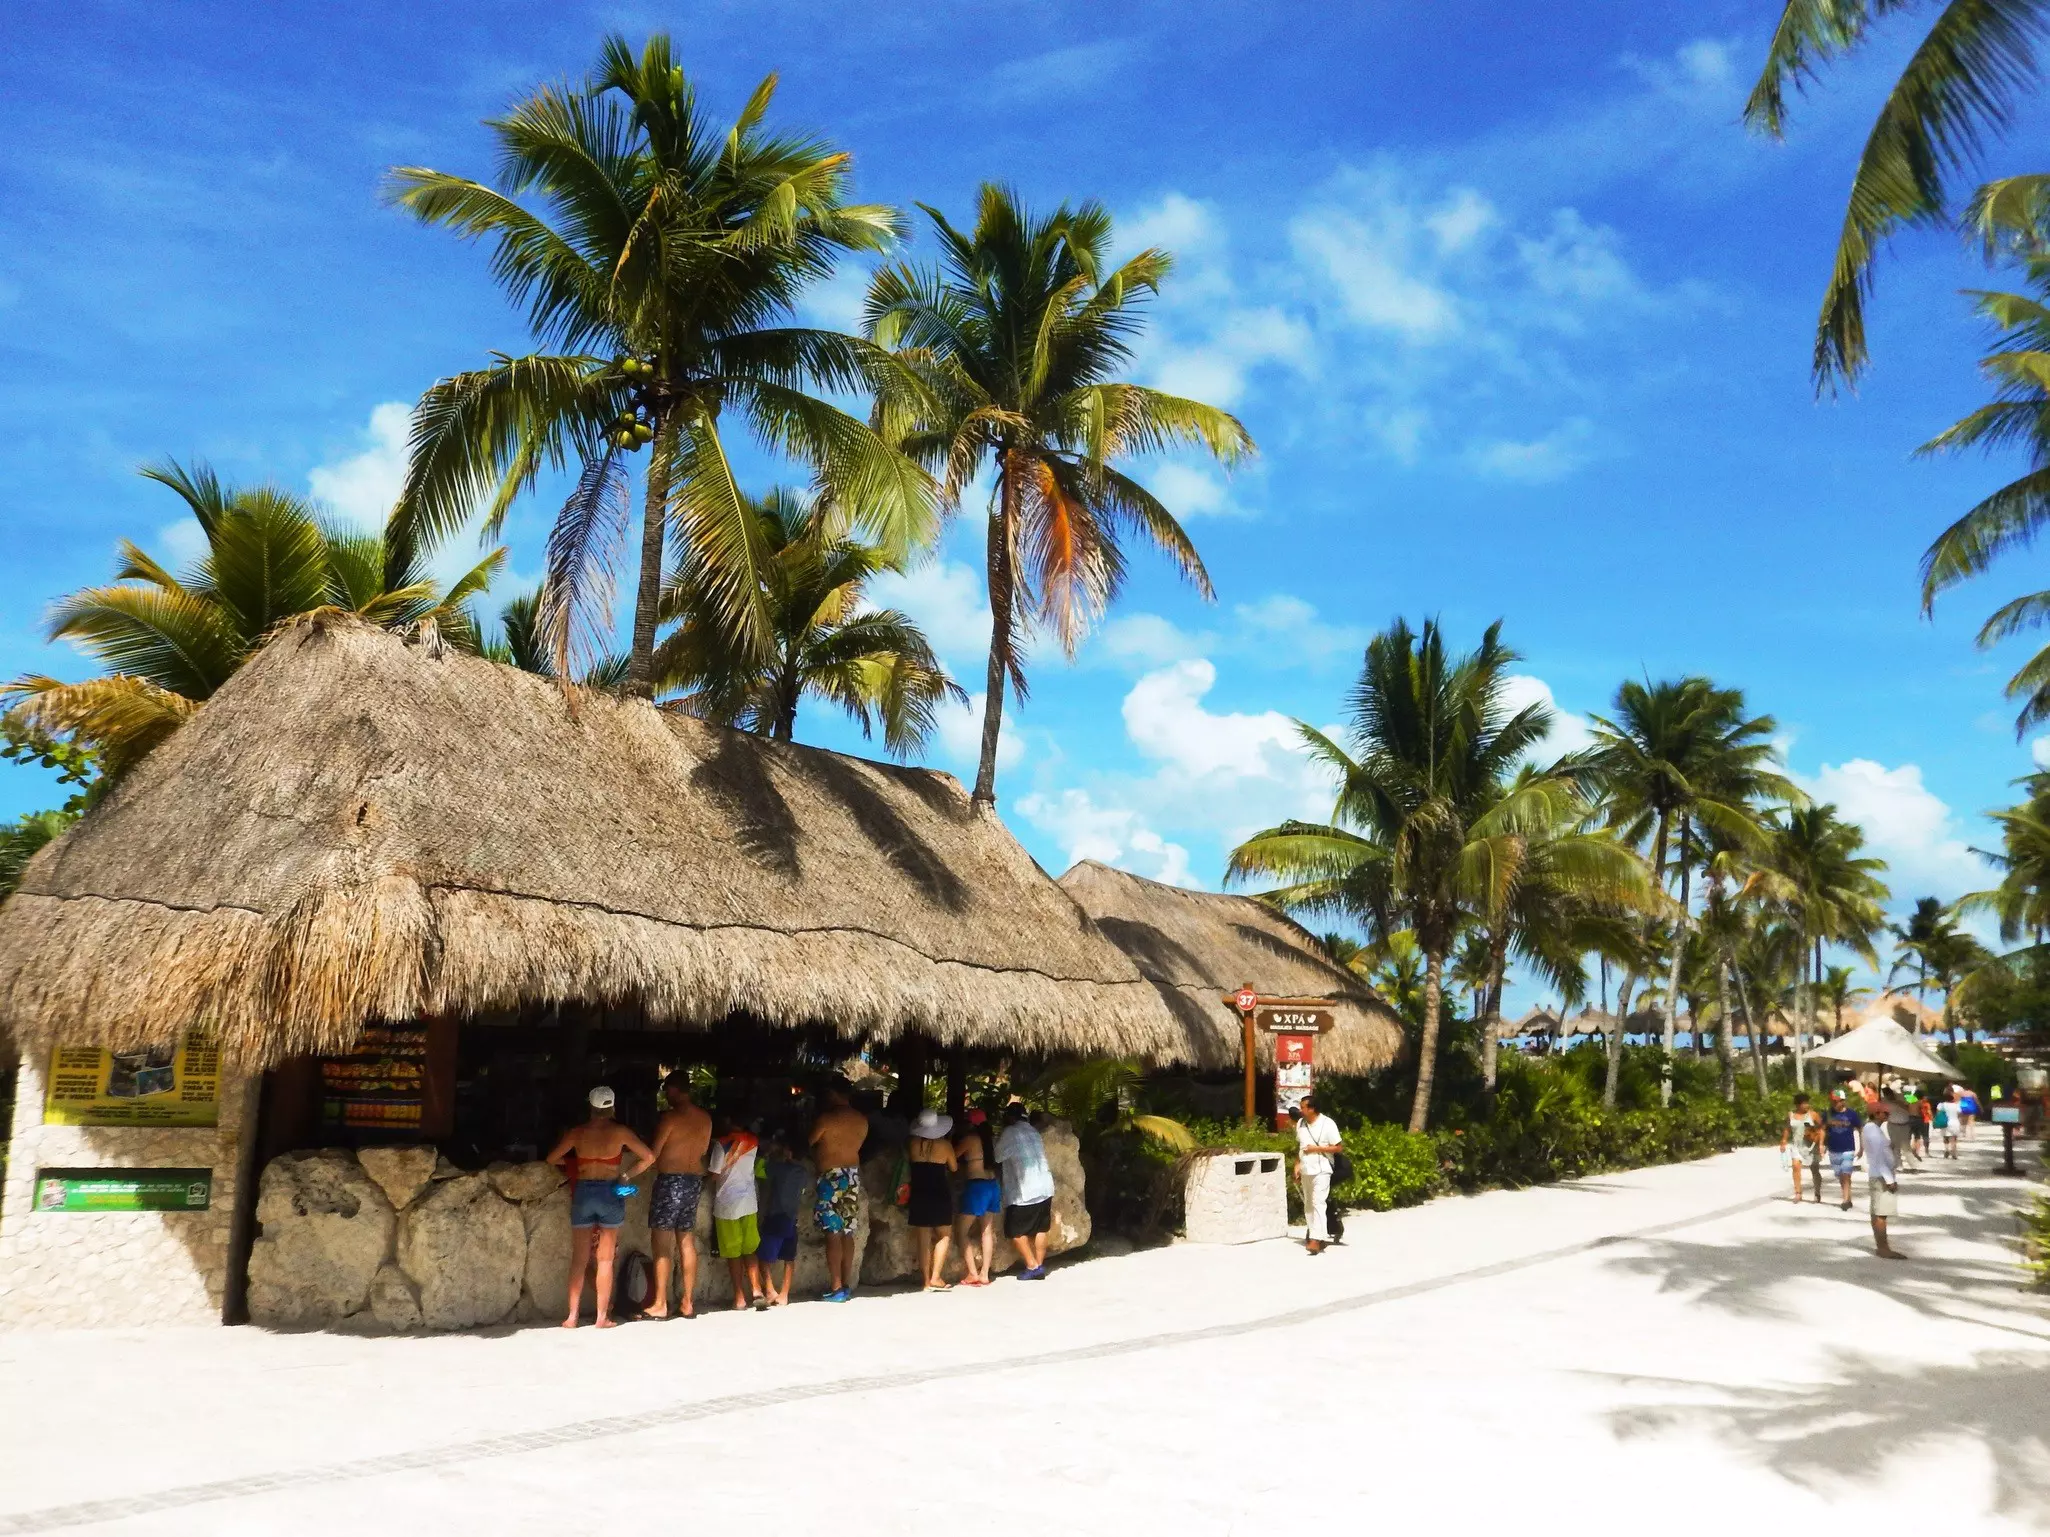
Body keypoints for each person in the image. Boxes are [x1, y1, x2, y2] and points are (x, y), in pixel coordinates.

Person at [545, 1086, 655, 1329]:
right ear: (612, 1107)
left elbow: (551, 1158)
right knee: (605, 1260)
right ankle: (601, 1317)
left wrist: (576, 1163)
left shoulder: (577, 1132)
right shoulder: (621, 1133)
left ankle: (572, 1317)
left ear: (591, 1108)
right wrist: (626, 1175)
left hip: (584, 1191)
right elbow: (649, 1157)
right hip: (610, 1191)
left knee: (579, 1259)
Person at [644, 1072, 712, 1320]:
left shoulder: (670, 1118)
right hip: (693, 1181)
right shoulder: (705, 1119)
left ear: (673, 1090)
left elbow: (654, 1153)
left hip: (670, 1181)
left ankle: (661, 1302)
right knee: (686, 1241)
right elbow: (703, 1150)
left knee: (662, 1243)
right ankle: (687, 1302)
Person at [809, 1082, 869, 1302]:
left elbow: (810, 1141)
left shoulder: (827, 1119)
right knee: (848, 1231)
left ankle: (835, 1287)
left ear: (834, 1093)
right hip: (852, 1175)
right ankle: (846, 1283)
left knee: (832, 1232)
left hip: (831, 1177)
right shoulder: (862, 1120)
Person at [707, 1115, 763, 1310]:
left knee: (733, 1253)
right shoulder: (753, 1140)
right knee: (750, 1249)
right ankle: (757, 1290)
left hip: (727, 1204)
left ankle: (739, 1298)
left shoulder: (721, 1144)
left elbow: (714, 1175)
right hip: (749, 1201)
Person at [994, 1102, 1054, 1279]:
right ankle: (1040, 1265)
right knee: (1041, 1228)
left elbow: (998, 1156)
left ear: (1010, 1117)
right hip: (1045, 1186)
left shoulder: (1009, 1132)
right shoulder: (1033, 1131)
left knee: (1015, 1231)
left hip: (1025, 1191)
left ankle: (1032, 1266)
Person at [906, 1108, 959, 1290]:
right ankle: (937, 1276)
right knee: (944, 1235)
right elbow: (953, 1168)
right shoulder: (945, 1146)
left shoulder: (912, 1144)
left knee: (923, 1239)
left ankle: (926, 1281)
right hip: (939, 1193)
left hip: (919, 1194)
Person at [756, 1131, 810, 1307]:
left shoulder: (779, 1168)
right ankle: (785, 1294)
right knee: (789, 1257)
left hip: (776, 1216)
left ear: (788, 1152)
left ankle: (770, 1290)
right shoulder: (803, 1172)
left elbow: (759, 1171)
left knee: (764, 1257)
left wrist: (766, 1154)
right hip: (792, 1218)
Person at [953, 1109, 1001, 1286]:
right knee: (986, 1231)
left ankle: (972, 1273)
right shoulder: (990, 1141)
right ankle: (985, 1274)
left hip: (977, 1187)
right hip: (992, 1186)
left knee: (961, 1231)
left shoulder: (970, 1139)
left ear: (970, 1124)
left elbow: (953, 1156)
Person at [1292, 1096, 1345, 1253]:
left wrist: (1316, 1149)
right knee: (1308, 1204)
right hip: (1306, 1169)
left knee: (1318, 1203)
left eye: (1303, 1107)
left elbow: (1338, 1148)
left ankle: (1316, 1239)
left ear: (1311, 1109)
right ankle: (1313, 1233)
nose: (1300, 1110)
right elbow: (1300, 1147)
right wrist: (1296, 1165)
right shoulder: (1301, 1124)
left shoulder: (1327, 1124)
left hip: (1322, 1169)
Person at [1860, 1097, 1904, 1258]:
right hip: (1881, 1176)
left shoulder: (1875, 1129)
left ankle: (1882, 1246)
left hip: (1881, 1174)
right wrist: (1889, 1180)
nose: (1887, 1114)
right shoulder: (1872, 1130)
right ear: (1876, 1114)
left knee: (1879, 1213)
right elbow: (1878, 1157)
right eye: (1884, 1112)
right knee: (1880, 1213)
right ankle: (1883, 1247)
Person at [1822, 1090, 1862, 1211]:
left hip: (1848, 1149)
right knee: (1840, 1175)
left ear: (1843, 1101)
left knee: (1846, 1173)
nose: (1834, 1103)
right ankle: (1848, 1197)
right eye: (1832, 1101)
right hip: (1833, 1149)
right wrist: (1821, 1145)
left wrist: (1862, 1148)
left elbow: (1860, 1129)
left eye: (1837, 1101)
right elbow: (1823, 1130)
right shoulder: (1827, 1114)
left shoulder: (1852, 1114)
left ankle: (1845, 1200)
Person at [1781, 1094, 1824, 1204]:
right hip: (1797, 1145)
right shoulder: (1791, 1115)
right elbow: (1787, 1128)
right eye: (1804, 1103)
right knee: (1795, 1167)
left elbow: (1821, 1129)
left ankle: (1817, 1193)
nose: (1806, 1105)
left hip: (1811, 1146)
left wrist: (1821, 1144)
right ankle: (1798, 1193)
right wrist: (1784, 1141)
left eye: (1807, 1102)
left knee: (1814, 1170)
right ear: (1797, 1105)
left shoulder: (1813, 1115)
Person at [1882, 1086, 1914, 1174]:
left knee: (1906, 1145)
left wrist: (1900, 1103)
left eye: (1888, 1094)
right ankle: (1899, 1165)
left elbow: (1915, 1104)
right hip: (1892, 1124)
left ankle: (1912, 1165)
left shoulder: (1903, 1096)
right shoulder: (1884, 1101)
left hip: (1905, 1124)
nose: (1887, 1096)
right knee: (1895, 1146)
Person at [1933, 1090, 1960, 1160]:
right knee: (1954, 1138)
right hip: (1955, 1122)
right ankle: (1954, 1152)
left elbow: (1938, 1114)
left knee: (1945, 1138)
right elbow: (1959, 1114)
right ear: (1952, 1098)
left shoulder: (1941, 1105)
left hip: (1945, 1123)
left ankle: (1946, 1149)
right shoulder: (1956, 1105)